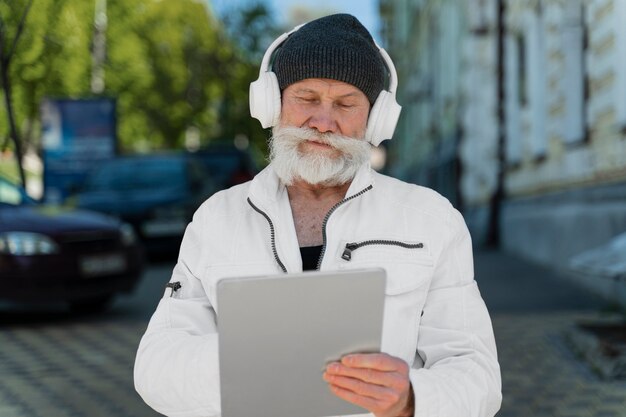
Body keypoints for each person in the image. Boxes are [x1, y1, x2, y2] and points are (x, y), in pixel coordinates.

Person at [134, 13, 502, 417]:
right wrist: (245, 365)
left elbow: (477, 374)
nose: (324, 122)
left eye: (345, 104)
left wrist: (412, 398)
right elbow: (156, 366)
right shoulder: (216, 219)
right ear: (271, 103)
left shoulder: (431, 220)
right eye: (307, 98)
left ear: (376, 119)